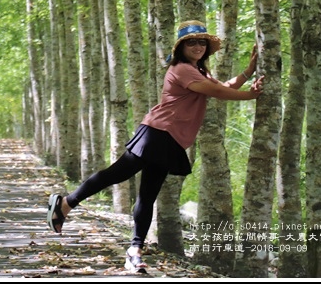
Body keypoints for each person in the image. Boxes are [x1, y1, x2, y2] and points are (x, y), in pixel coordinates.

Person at [46, 20, 264, 273]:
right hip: (158, 132)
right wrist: (251, 95)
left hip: (171, 139)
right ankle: (66, 203)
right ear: (181, 47)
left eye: (202, 42)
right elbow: (216, 92)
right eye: (191, 42)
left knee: (148, 194)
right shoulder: (182, 69)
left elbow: (223, 87)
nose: (198, 46)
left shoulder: (199, 72)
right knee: (119, 173)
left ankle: (134, 250)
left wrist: (248, 72)